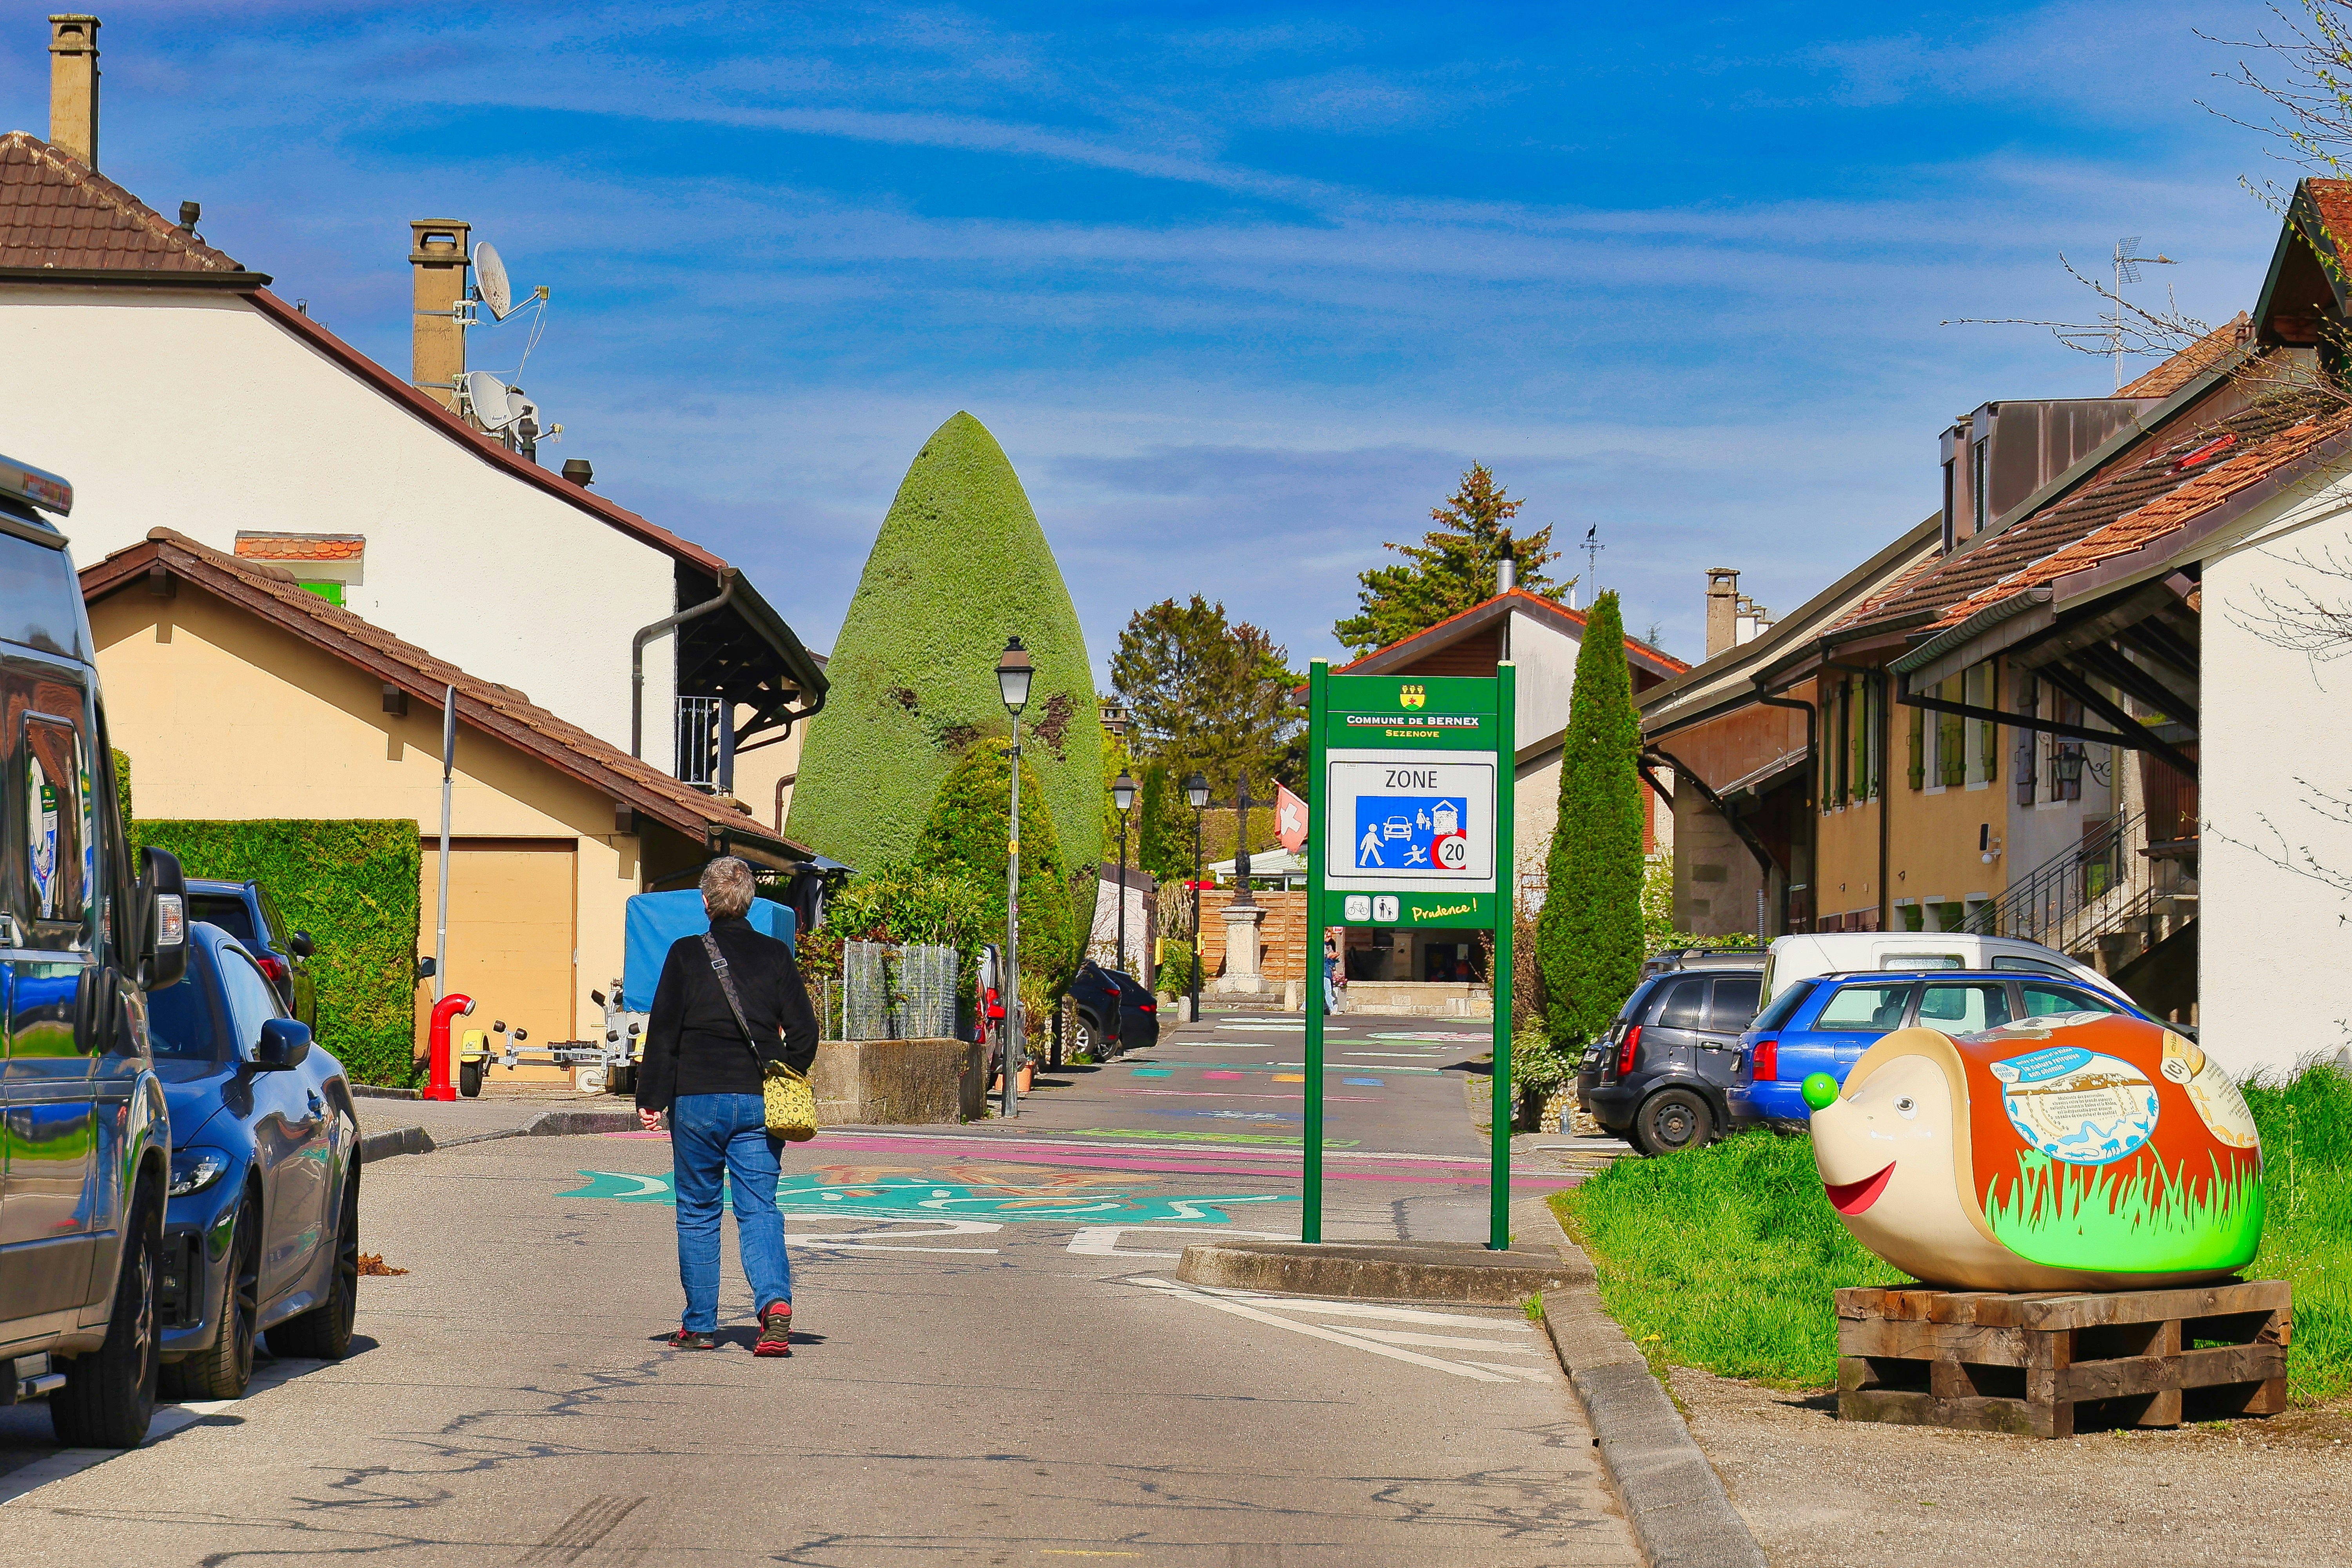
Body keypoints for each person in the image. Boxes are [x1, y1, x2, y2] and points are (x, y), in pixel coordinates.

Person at [636, 857, 820, 1356]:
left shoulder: (684, 955)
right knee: (759, 1208)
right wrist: (784, 1070)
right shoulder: (776, 956)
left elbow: (664, 1033)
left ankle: (699, 1326)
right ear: (751, 902)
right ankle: (774, 1305)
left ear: (705, 901)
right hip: (759, 1101)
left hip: (695, 1100)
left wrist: (652, 1098)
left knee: (697, 1212)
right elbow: (805, 1033)